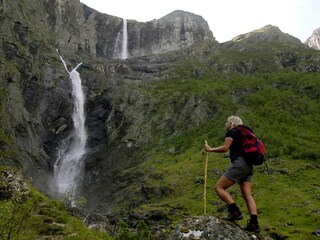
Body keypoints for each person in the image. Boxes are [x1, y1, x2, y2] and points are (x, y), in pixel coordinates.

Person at [204, 116, 260, 233]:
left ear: (231, 123)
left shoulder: (232, 132)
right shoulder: (247, 132)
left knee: (219, 188)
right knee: (247, 195)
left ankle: (235, 211)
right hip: (249, 165)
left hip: (239, 164)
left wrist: (210, 149)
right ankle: (254, 223)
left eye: (227, 122)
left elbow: (225, 148)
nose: (226, 124)